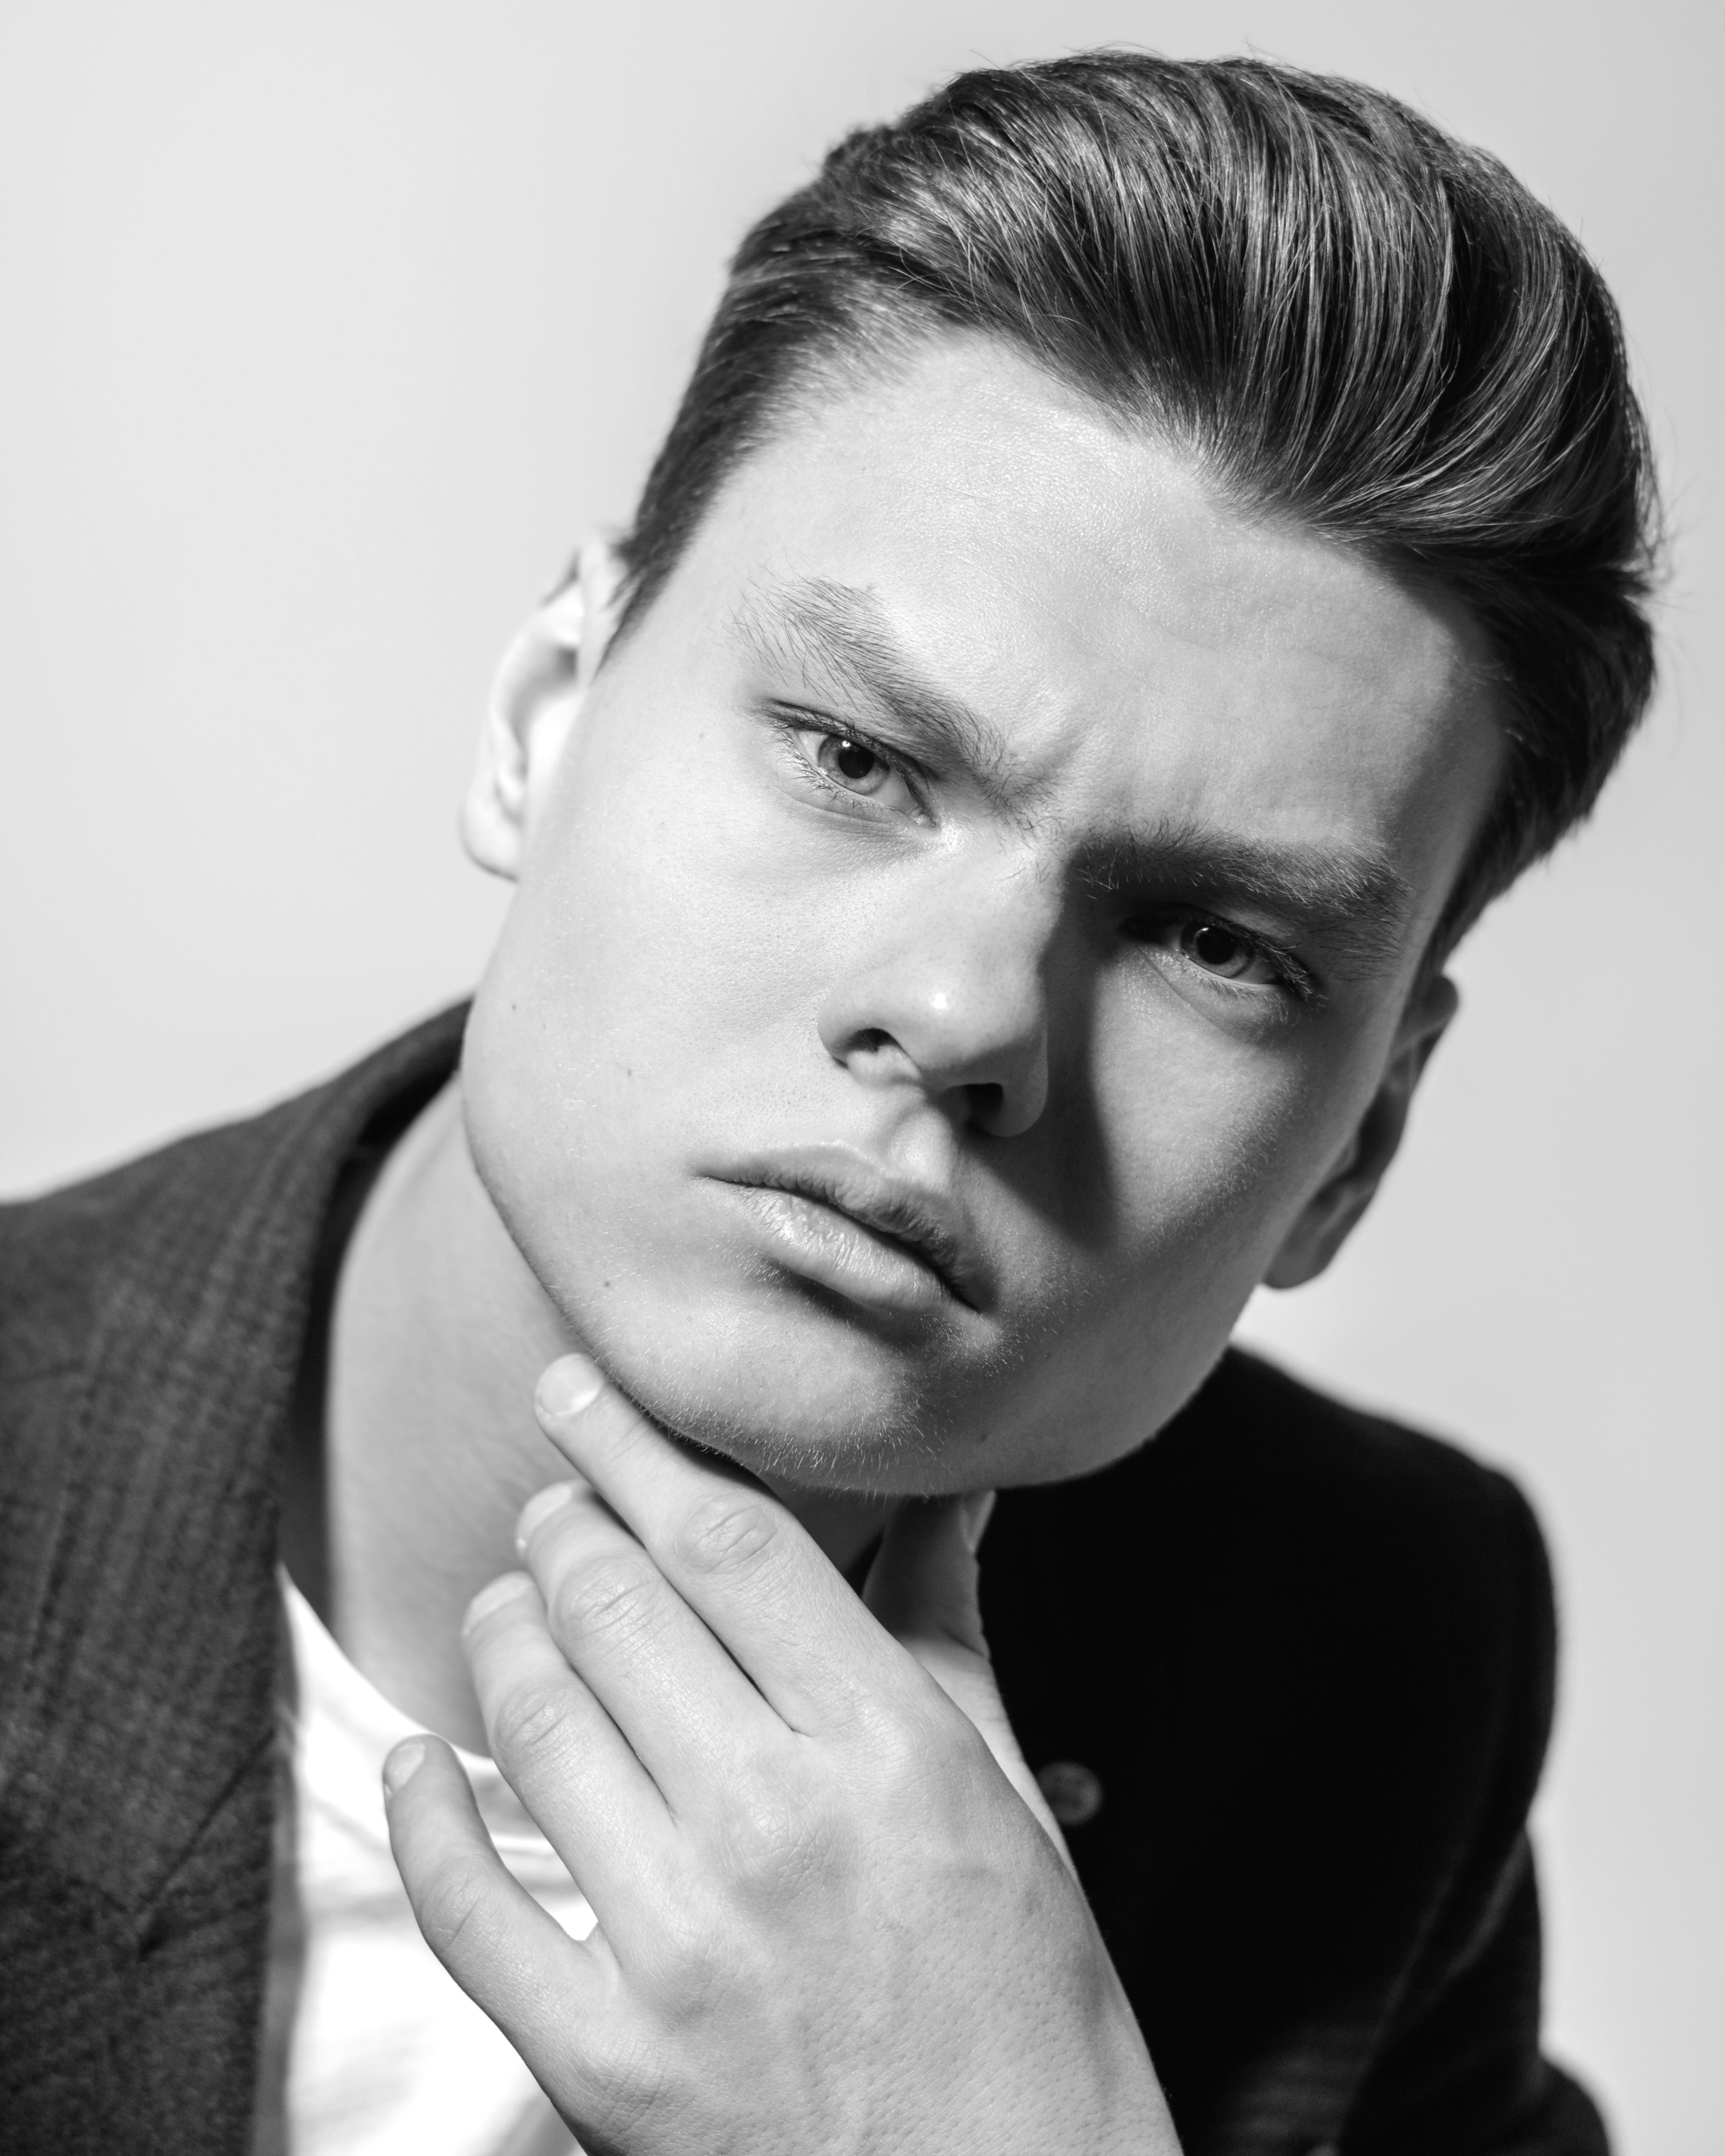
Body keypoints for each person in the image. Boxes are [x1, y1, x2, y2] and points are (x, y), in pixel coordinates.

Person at [0, 46, 1657, 2156]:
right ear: (543, 717)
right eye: (857, 758)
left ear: (1359, 1143)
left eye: (1213, 939)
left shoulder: (1362, 1649)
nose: (964, 1013)